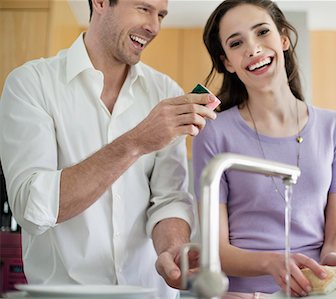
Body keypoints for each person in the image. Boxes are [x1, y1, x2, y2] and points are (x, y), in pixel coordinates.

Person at [0, 0, 216, 298]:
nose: (154, 26)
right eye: (143, 8)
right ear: (100, 2)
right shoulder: (31, 84)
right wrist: (137, 142)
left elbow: (169, 198)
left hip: (148, 293)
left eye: (161, 15)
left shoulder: (166, 92)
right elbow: (31, 207)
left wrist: (172, 250)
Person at [192, 0, 336, 296]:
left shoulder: (335, 128)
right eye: (236, 43)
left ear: (283, 38)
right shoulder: (213, 134)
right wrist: (272, 262)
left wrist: (333, 259)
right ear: (228, 62)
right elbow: (215, 249)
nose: (253, 48)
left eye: (262, 32)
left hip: (313, 292)